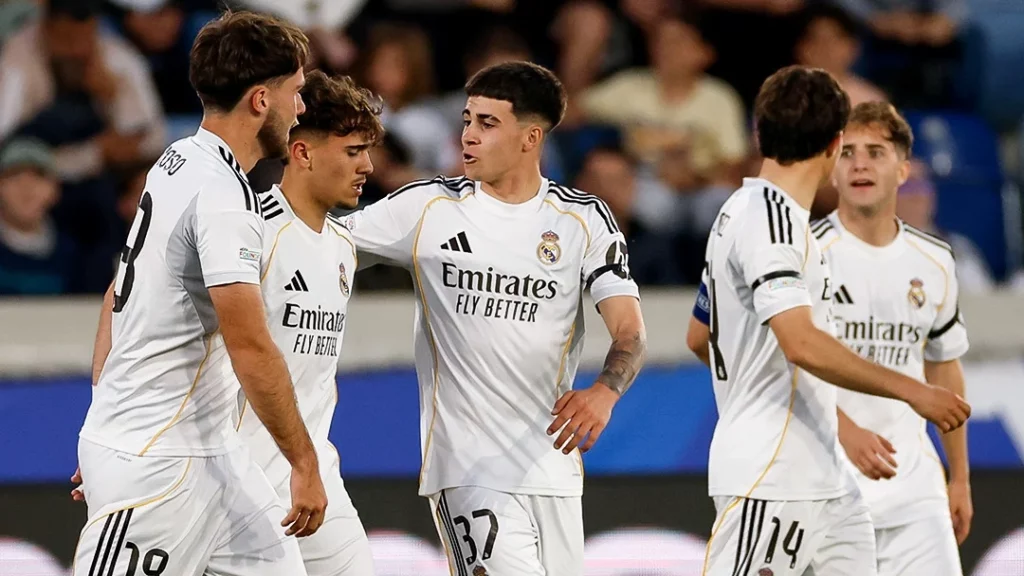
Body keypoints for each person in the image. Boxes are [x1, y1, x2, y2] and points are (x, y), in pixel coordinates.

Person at [342, 61, 647, 576]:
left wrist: (605, 392)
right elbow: (319, 242)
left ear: (530, 137)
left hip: (552, 466)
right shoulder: (427, 209)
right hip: (468, 468)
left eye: (487, 123)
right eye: (466, 120)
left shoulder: (580, 220)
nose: (468, 136)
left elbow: (631, 330)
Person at [686, 65, 970, 576]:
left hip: (827, 481)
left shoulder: (753, 214)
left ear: (759, 133)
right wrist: (913, 390)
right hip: (771, 474)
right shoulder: (770, 222)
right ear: (835, 144)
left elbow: (698, 335)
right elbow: (799, 342)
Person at [71, 11, 324, 575]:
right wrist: (303, 463)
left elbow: (118, 292)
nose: (301, 110)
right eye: (296, 93)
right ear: (261, 100)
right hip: (160, 464)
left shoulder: (176, 159)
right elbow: (251, 346)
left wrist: (109, 413)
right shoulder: (222, 196)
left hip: (214, 457)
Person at [233, 69, 382, 575]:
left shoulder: (344, 247)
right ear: (302, 153)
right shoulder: (250, 232)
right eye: (353, 150)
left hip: (316, 474)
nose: (368, 165)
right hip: (242, 484)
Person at [818, 102, 972, 575]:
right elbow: (786, 363)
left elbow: (944, 368)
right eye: (848, 153)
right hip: (829, 488)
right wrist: (846, 431)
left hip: (916, 494)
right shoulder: (806, 254)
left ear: (903, 170)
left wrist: (960, 477)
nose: (860, 163)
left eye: (876, 152)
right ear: (832, 170)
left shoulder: (935, 260)